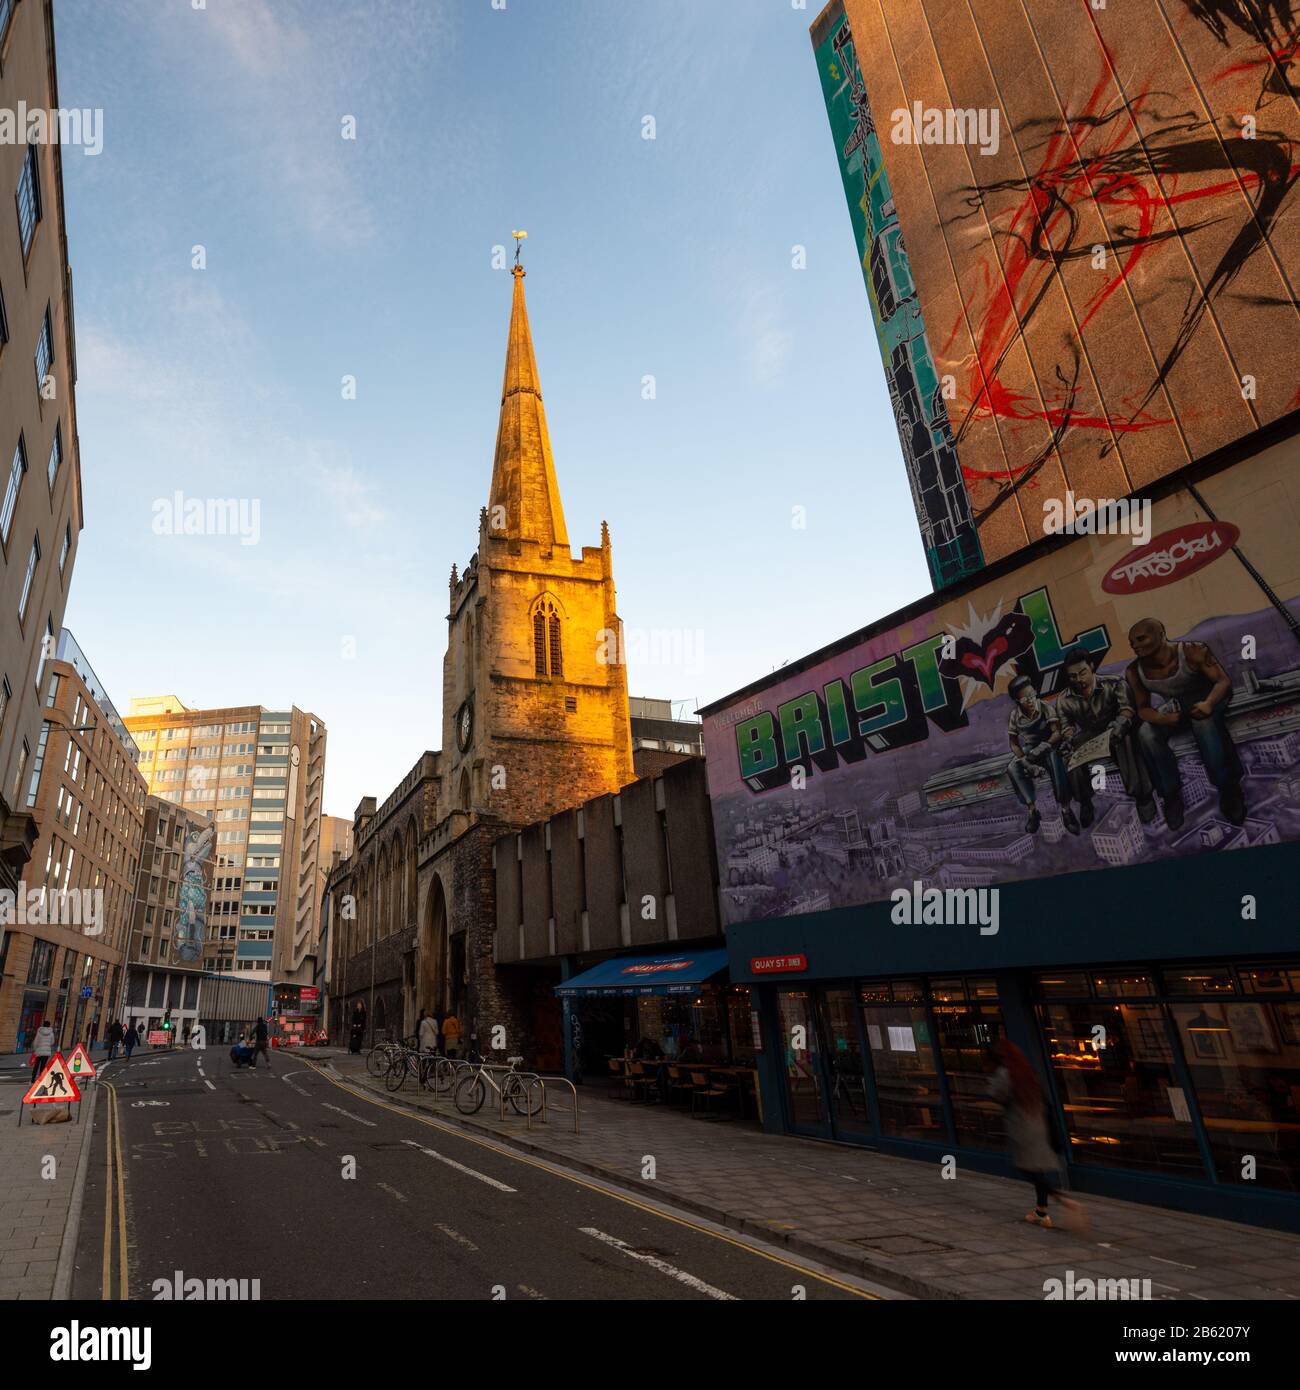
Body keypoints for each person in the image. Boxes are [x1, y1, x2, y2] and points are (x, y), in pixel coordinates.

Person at [1125, 618, 1245, 829]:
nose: (1135, 645)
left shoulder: (1192, 651)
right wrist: (1163, 719)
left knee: (1203, 724)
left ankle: (1228, 789)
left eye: (1141, 639)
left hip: (1209, 699)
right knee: (1146, 733)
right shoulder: (1134, 671)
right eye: (1132, 642)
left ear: (1161, 634)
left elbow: (1222, 682)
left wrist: (1208, 703)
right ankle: (1171, 796)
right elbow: (1143, 708)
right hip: (1180, 708)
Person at [988, 1040, 1084, 1230]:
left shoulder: (1005, 1073)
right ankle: (1041, 1213)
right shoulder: (1027, 1072)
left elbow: (996, 1094)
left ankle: (1064, 1200)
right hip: (1040, 1126)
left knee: (1026, 1169)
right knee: (1038, 1170)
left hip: (1023, 1128)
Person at [1057, 645, 1155, 827]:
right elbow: (1066, 726)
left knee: (1126, 739)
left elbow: (1126, 711)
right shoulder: (1064, 699)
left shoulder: (1114, 683)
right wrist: (1068, 738)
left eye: (1082, 673)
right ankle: (1085, 801)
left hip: (1116, 729)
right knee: (1069, 755)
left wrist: (1117, 728)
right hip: (1091, 735)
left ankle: (1142, 796)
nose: (1079, 680)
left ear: (1092, 667)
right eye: (1072, 676)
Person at [1004, 674, 1079, 834]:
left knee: (1055, 759)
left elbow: (1056, 732)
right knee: (1012, 768)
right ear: (1018, 702)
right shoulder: (1014, 716)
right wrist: (1024, 761)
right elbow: (1014, 743)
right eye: (1025, 699)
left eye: (1032, 695)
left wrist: (1043, 747)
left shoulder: (1044, 707)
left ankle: (1066, 810)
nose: (1030, 700)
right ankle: (1032, 810)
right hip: (1031, 749)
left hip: (1049, 744)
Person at [31, 1019, 56, 1083]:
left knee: (36, 1065)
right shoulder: (51, 1033)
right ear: (49, 1025)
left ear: (43, 1025)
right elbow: (52, 1042)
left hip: (39, 1051)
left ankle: (33, 1079)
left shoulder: (39, 1032)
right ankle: (41, 1079)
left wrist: (35, 1049)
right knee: (43, 1066)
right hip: (46, 1052)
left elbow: (36, 1042)